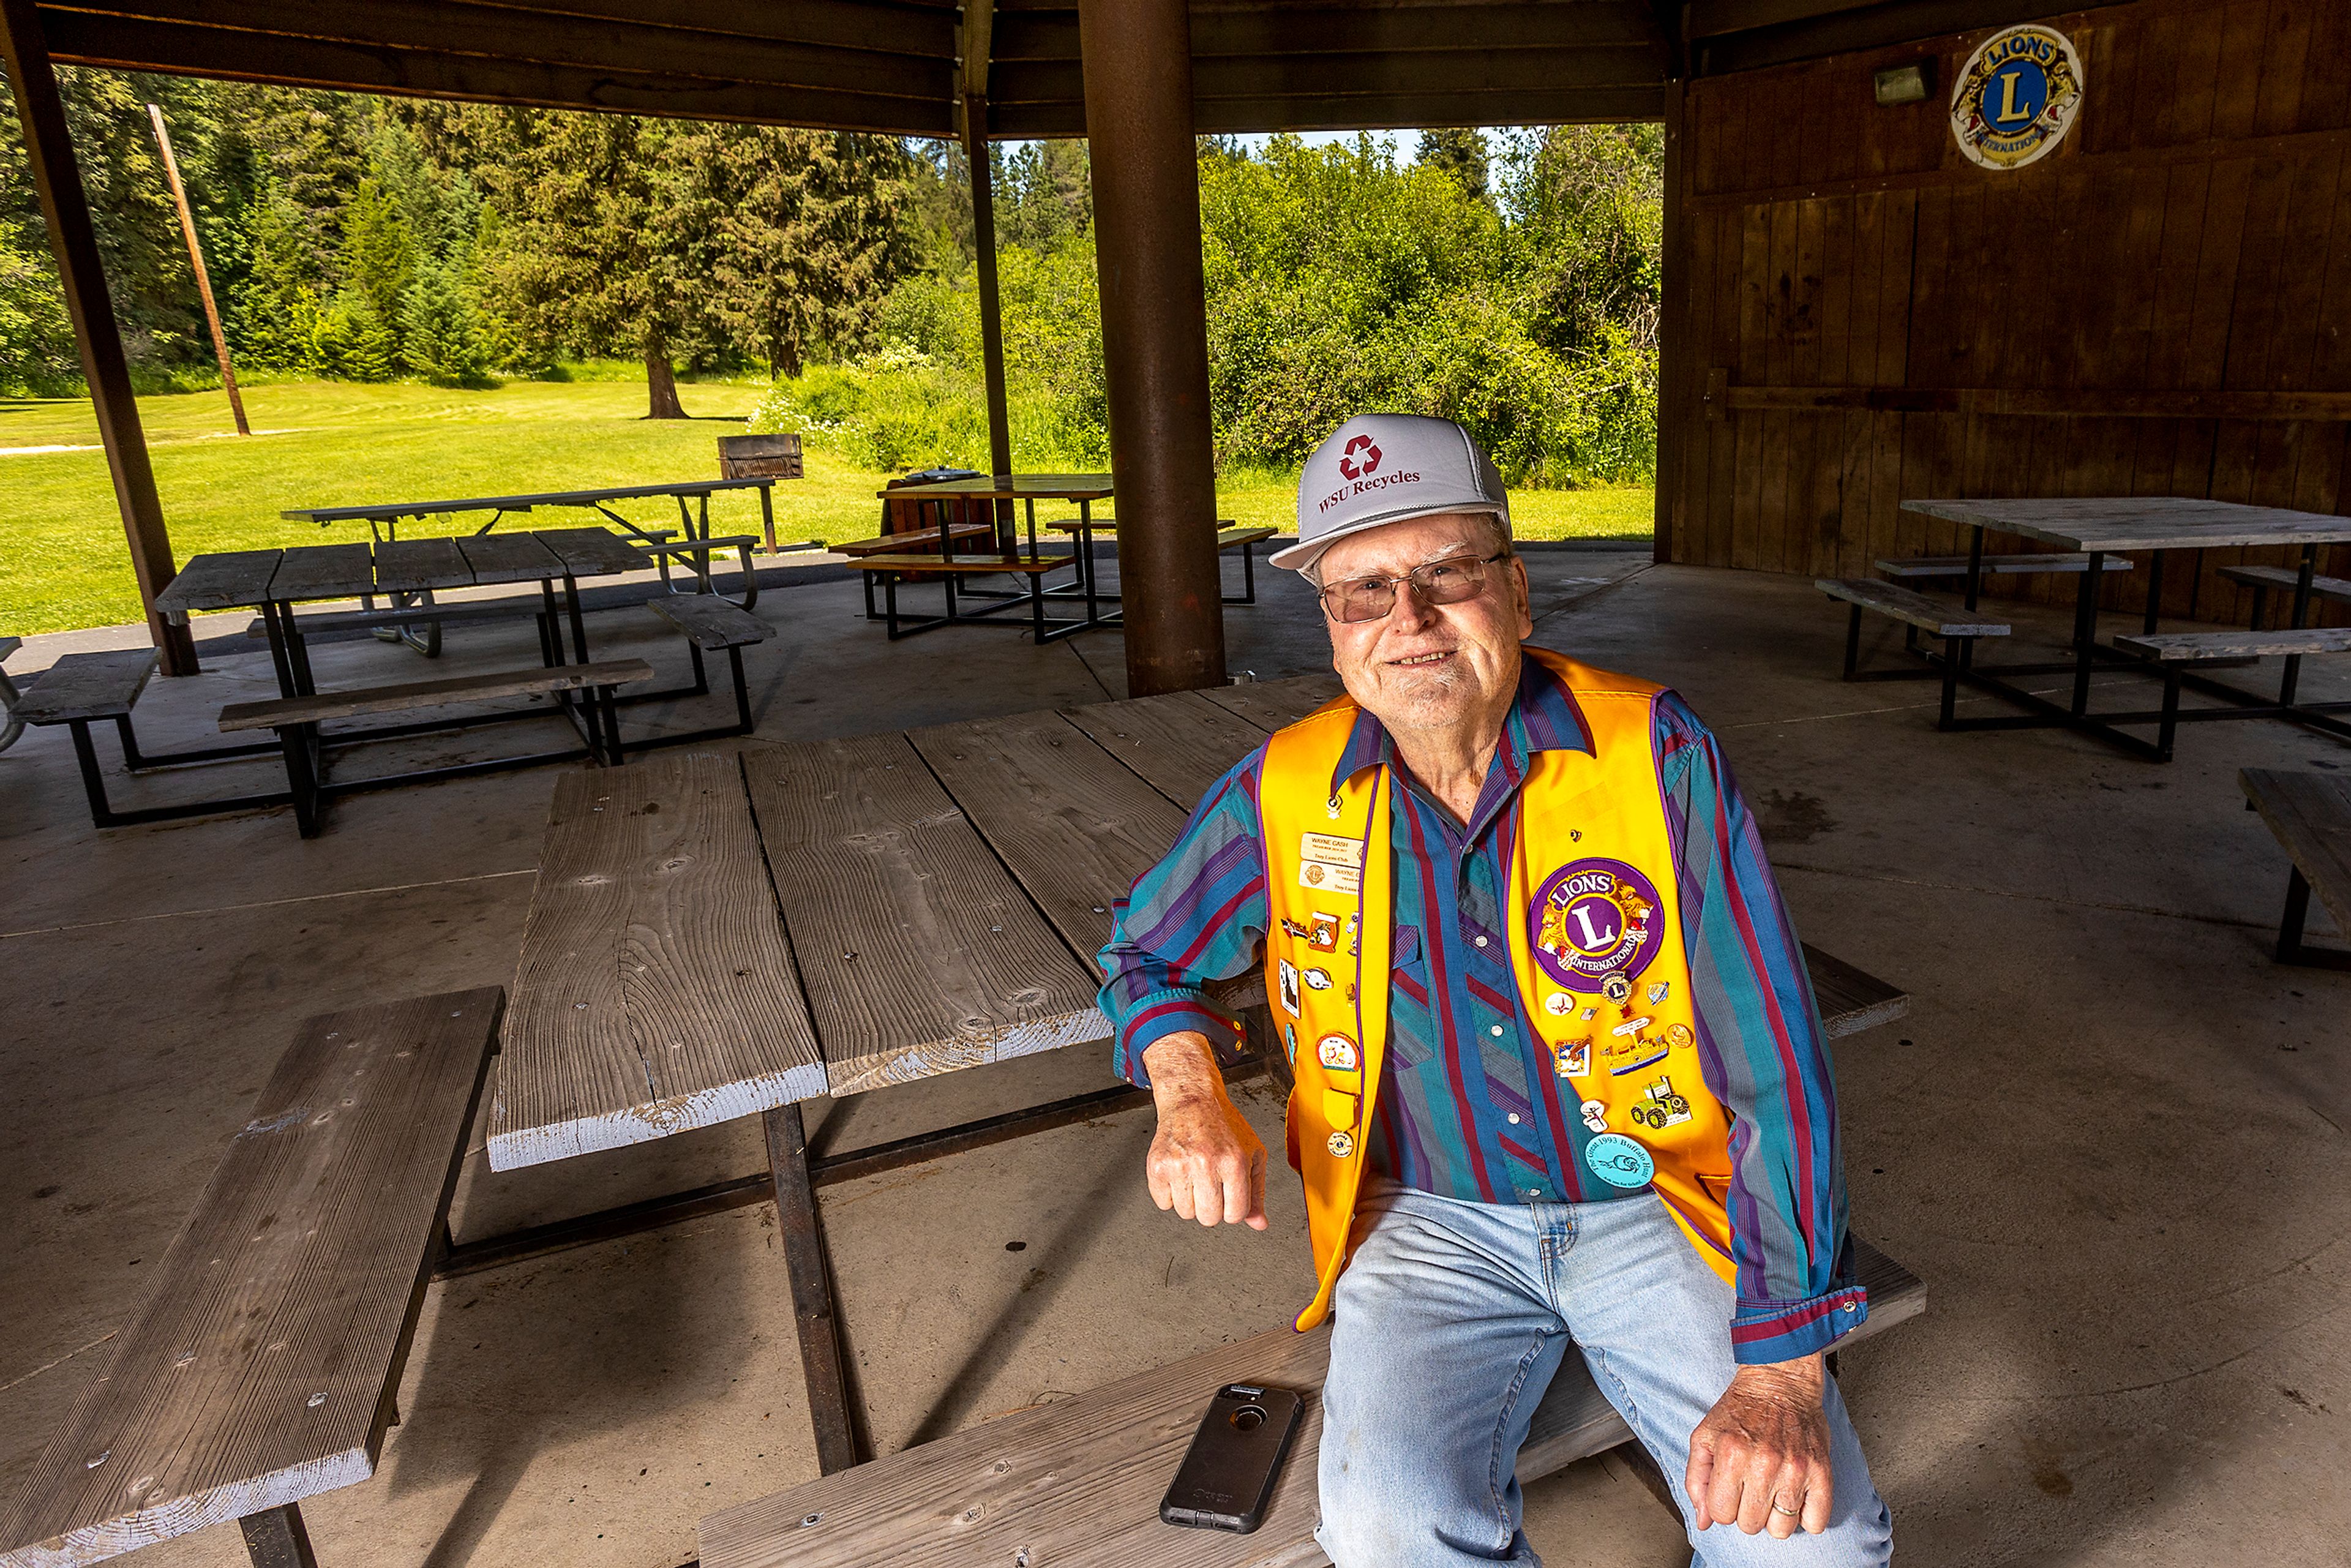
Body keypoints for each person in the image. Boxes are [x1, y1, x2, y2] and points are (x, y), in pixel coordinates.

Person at [1097, 414, 1891, 1566]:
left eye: (1446, 574)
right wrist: (1186, 1089)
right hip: (1427, 1220)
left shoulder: (1652, 753)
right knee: (1382, 1527)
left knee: (1810, 1548)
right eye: (1363, 591)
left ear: (1516, 593)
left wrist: (1781, 1366)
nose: (1407, 621)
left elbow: (1773, 1060)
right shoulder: (1284, 789)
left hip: (1662, 1202)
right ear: (1333, 630)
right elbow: (1144, 951)